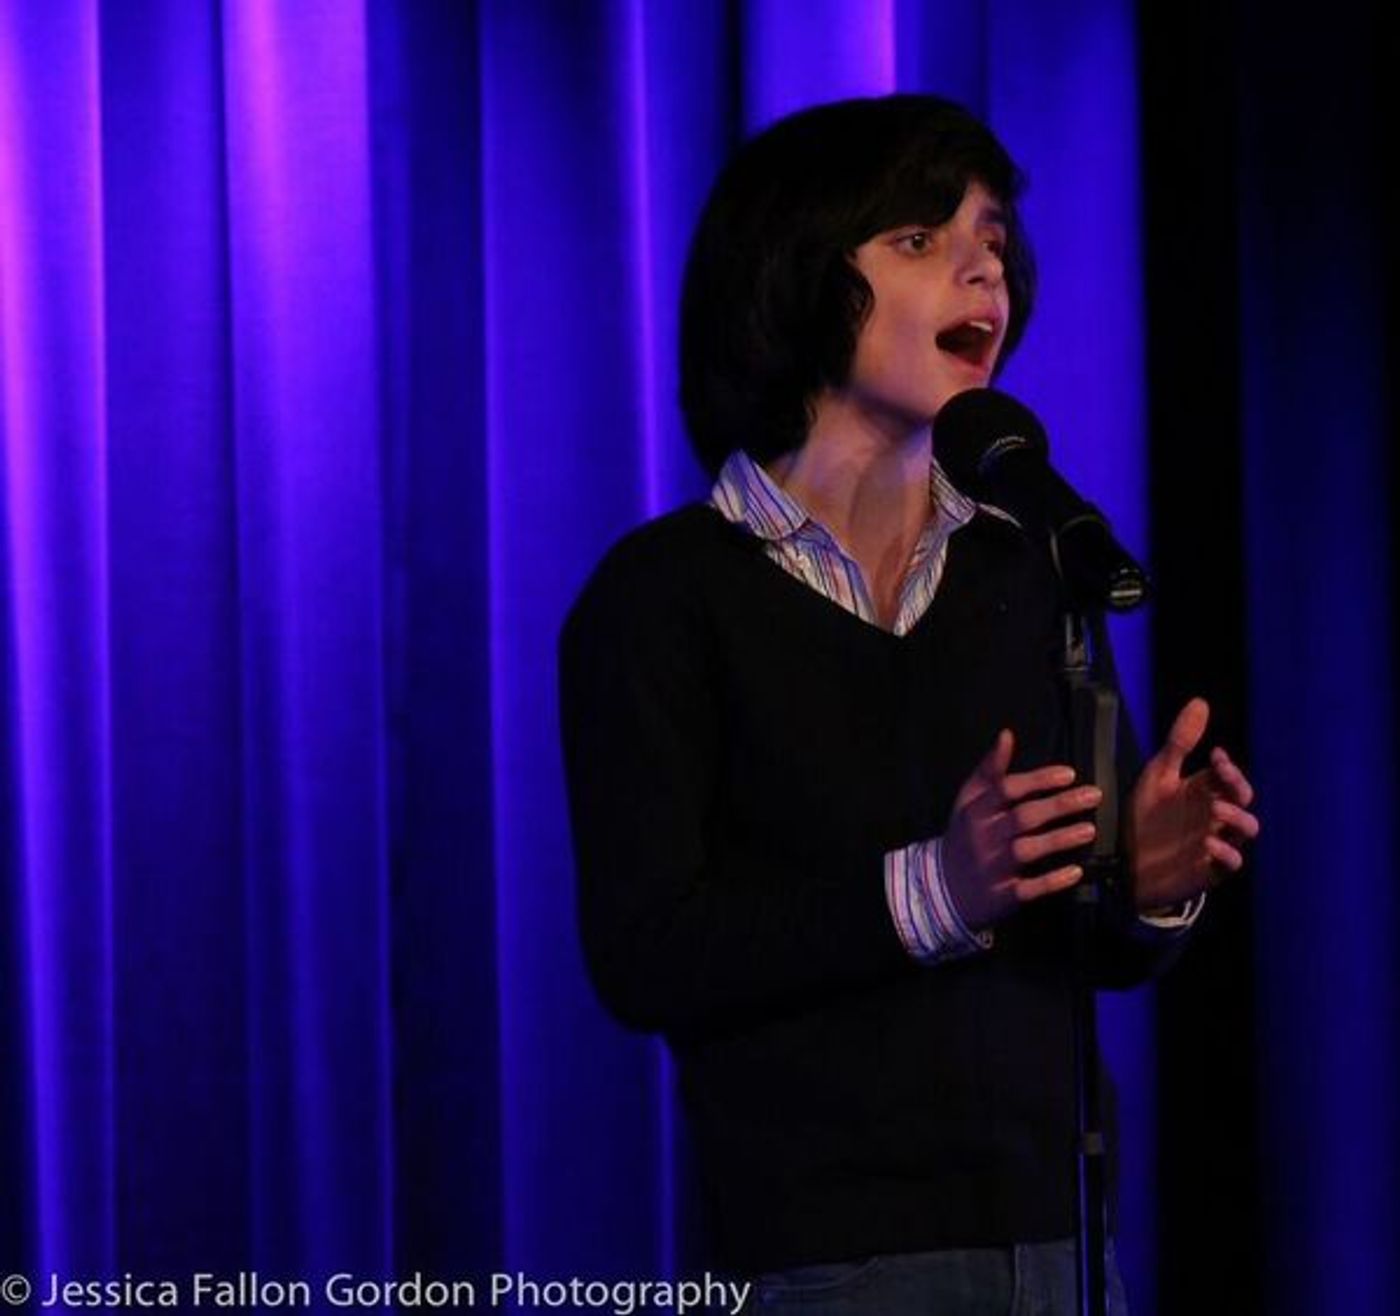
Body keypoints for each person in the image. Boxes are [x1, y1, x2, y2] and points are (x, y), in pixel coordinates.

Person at [558, 95, 1258, 1316]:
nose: (982, 265)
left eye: (990, 237)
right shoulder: (662, 597)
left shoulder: (1024, 568)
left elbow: (1075, 932)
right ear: (799, 276)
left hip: (1059, 1246)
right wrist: (929, 887)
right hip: (817, 1257)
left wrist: (1147, 885)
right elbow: (646, 953)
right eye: (921, 239)